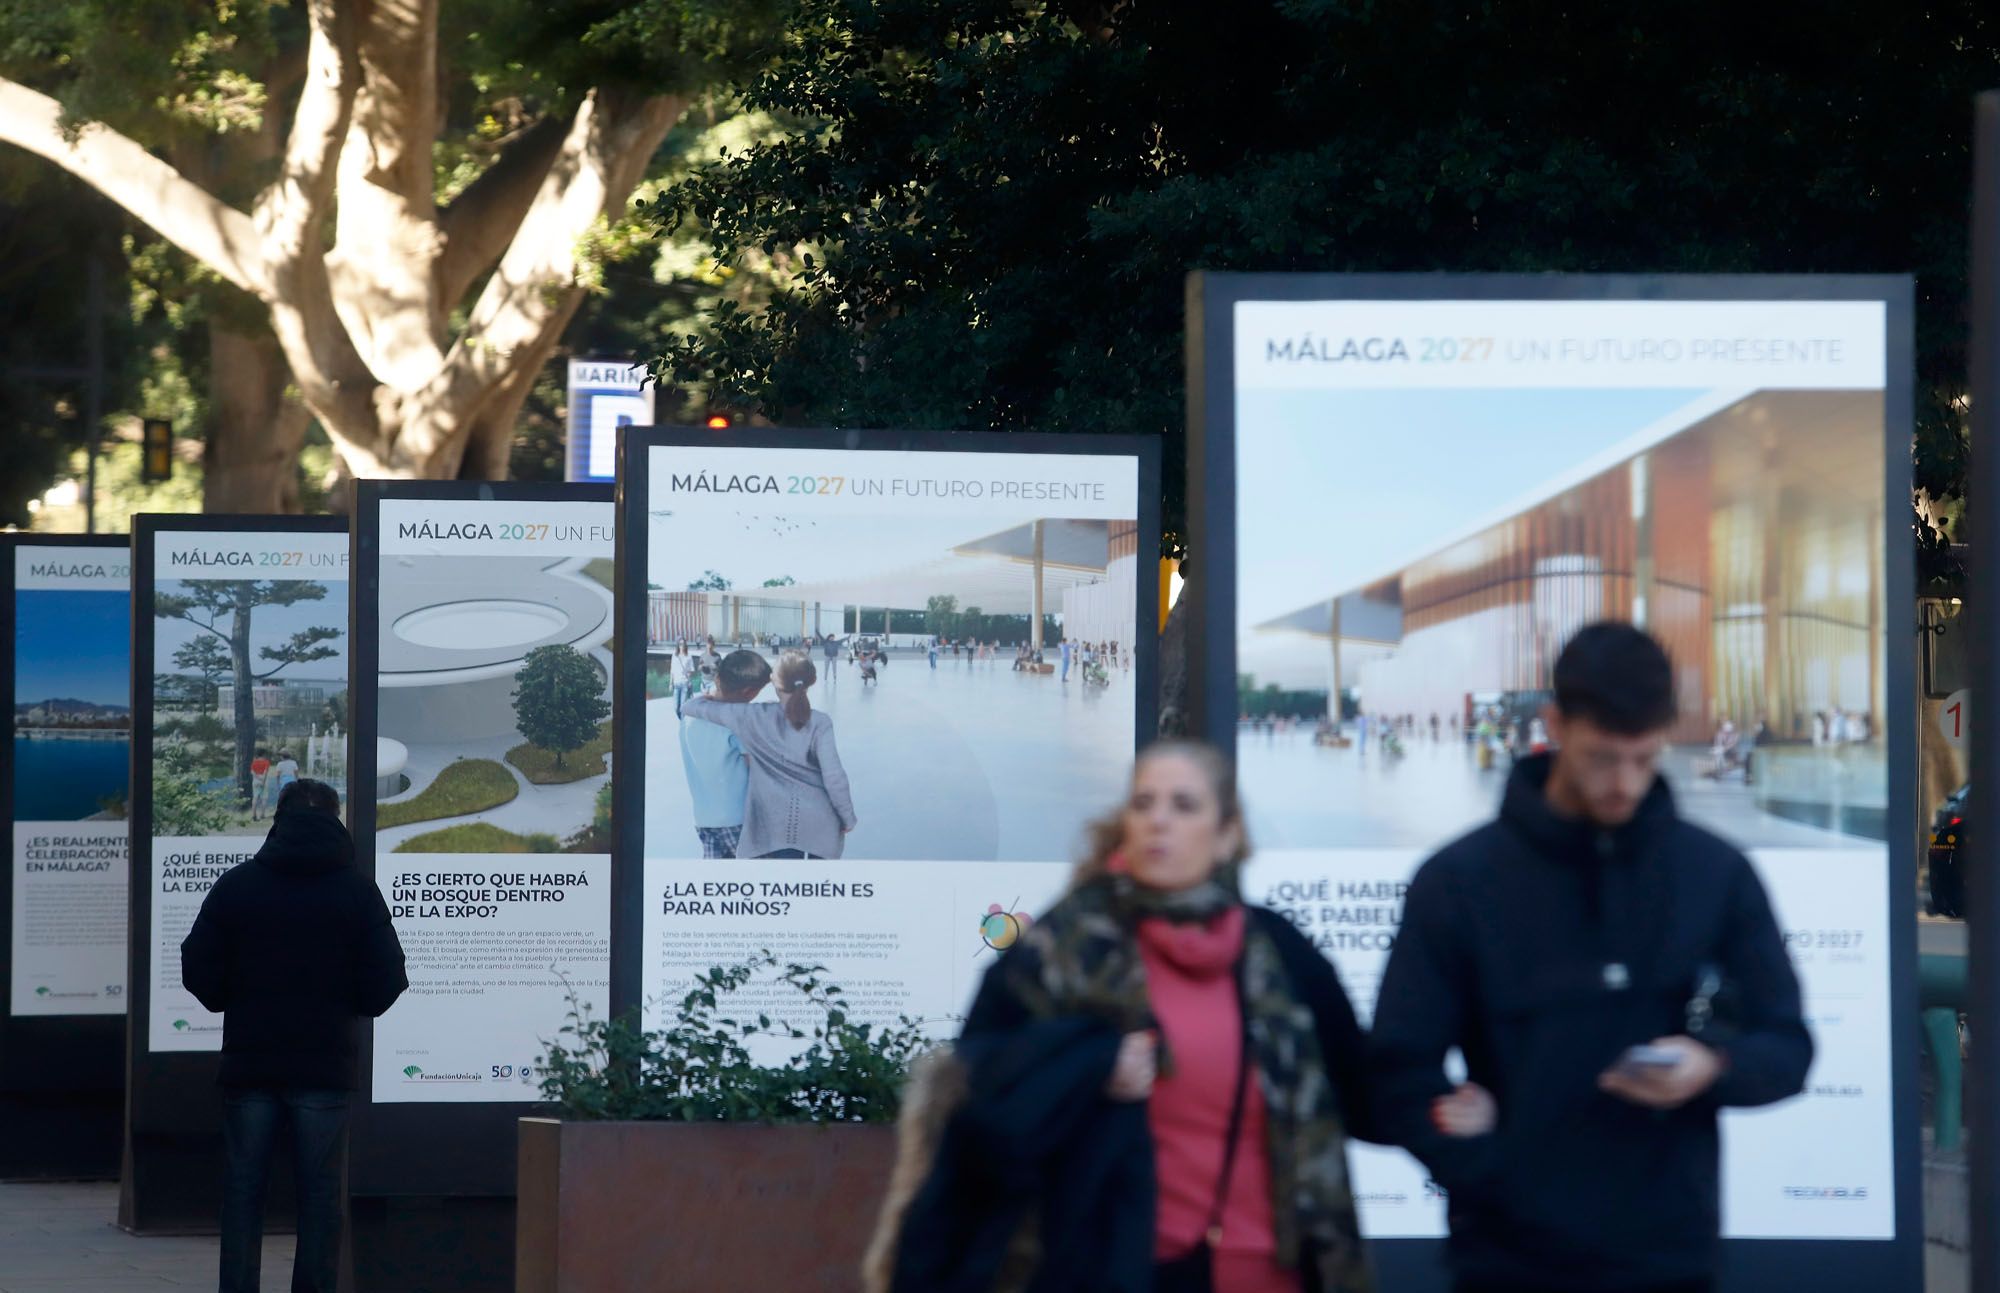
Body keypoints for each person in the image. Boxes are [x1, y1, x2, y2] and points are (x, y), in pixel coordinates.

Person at [1369, 623, 1812, 1293]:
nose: (1626, 784)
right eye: (1603, 757)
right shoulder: (1459, 882)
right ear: (1555, 725)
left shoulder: (1714, 874)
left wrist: (1713, 1067)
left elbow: (1787, 1043)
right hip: (1505, 1261)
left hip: (1669, 1257)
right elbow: (1398, 1070)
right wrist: (1470, 1148)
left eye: (1644, 757)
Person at [866, 740, 1375, 1293]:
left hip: (1272, 1270)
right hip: (1112, 1266)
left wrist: (1456, 1114)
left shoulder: (1279, 953)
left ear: (1226, 835)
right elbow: (978, 1084)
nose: (1159, 820)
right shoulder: (1062, 950)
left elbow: (1364, 1089)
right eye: (1143, 803)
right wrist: (1089, 1065)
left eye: (1184, 806)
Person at [180, 779, 407, 1293]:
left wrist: (226, 1000)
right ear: (335, 820)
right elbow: (388, 976)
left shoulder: (238, 885)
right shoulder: (356, 890)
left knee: (242, 1190)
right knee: (321, 1195)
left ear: (278, 819)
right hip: (324, 1068)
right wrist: (355, 1007)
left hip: (250, 1064)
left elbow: (197, 963)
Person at [682, 652, 857, 859]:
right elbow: (834, 777)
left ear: (774, 681)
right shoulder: (820, 722)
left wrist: (705, 699)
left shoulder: (751, 716)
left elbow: (688, 707)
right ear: (813, 680)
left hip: (754, 826)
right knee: (814, 886)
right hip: (816, 825)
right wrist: (847, 817)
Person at [681, 650, 765, 858]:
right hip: (737, 819)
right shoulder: (737, 721)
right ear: (749, 691)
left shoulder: (689, 715)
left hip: (703, 819)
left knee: (717, 884)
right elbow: (757, 770)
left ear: (718, 679)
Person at [248, 750, 271, 821]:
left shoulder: (254, 762)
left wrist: (257, 777)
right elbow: (265, 772)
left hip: (255, 780)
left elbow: (252, 771)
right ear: (264, 755)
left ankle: (254, 815)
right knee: (264, 798)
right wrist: (262, 780)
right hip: (263, 779)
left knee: (255, 797)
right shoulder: (266, 762)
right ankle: (262, 815)